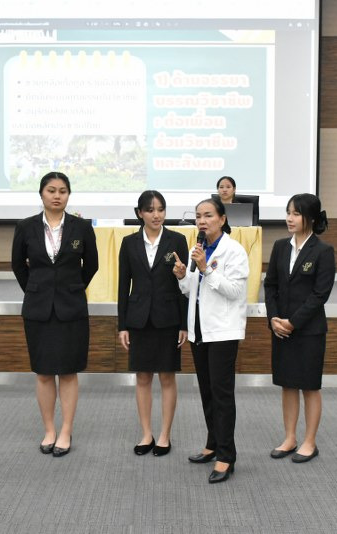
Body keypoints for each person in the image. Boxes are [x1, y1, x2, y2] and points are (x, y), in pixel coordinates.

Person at [11, 171, 99, 457]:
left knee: (69, 372)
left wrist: (71, 288)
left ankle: (66, 430)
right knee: (44, 372)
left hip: (71, 307)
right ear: (41, 194)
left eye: (62, 191)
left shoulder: (81, 227)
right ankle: (49, 429)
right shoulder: (25, 227)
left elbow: (92, 265)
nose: (57, 195)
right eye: (51, 190)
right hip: (38, 308)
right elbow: (18, 266)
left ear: (68, 195)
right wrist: (37, 289)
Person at [172, 196, 249, 483]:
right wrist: (183, 276)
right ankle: (212, 443)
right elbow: (192, 291)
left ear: (222, 219)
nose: (202, 221)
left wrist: (206, 268)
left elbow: (234, 291)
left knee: (222, 394)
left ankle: (227, 456)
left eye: (208, 215)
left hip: (223, 332)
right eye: (198, 216)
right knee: (206, 391)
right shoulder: (199, 249)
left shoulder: (234, 251)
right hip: (200, 330)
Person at [264, 194, 335, 463]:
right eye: (288, 212)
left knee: (309, 386)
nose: (289, 218)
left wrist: (293, 322)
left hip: (308, 331)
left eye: (296, 213)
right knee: (287, 385)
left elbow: (320, 294)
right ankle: (290, 438)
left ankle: (309, 441)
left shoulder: (323, 251)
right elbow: (270, 285)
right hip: (281, 329)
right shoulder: (280, 247)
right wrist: (274, 318)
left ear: (311, 218)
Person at [118, 191, 189, 457]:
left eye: (160, 209)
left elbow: (183, 285)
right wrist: (122, 325)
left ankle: (164, 436)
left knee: (167, 377)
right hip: (138, 319)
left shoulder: (177, 240)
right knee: (143, 377)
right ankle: (146, 433)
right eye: (150, 210)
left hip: (168, 318)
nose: (156, 215)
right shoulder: (129, 243)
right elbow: (123, 285)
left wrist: (184, 324)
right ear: (140, 213)